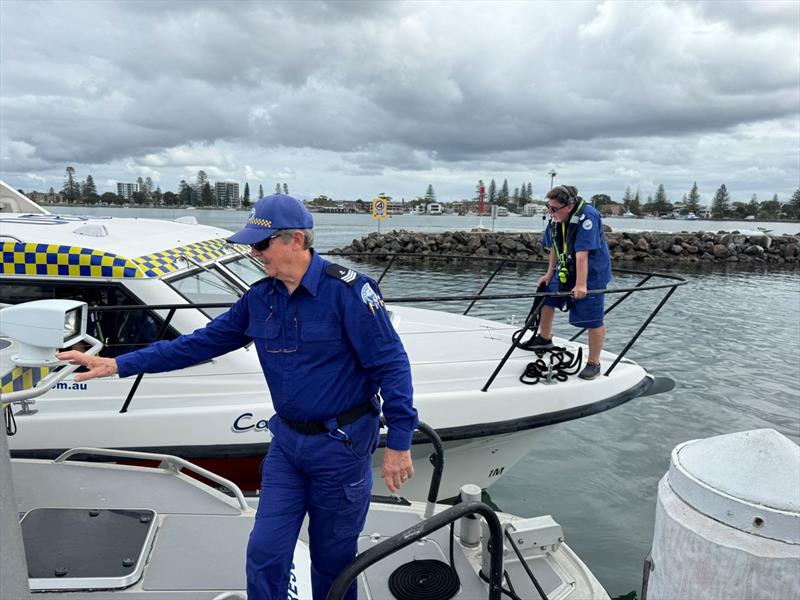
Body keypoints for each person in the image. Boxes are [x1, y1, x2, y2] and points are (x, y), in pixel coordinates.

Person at [57, 194, 418, 600]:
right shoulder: (260, 297)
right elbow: (200, 343)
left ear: (296, 240)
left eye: (261, 244)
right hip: (287, 445)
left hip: (342, 446)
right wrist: (117, 364)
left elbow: (392, 365)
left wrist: (400, 443)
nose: (254, 252)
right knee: (264, 551)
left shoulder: (349, 293)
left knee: (332, 561)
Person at [531, 185, 612, 380]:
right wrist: (549, 274)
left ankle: (594, 362)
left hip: (591, 274)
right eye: (548, 207)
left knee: (592, 318)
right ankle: (544, 338)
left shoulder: (587, 217)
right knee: (547, 297)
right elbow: (554, 246)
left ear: (569, 206)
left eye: (554, 208)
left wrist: (581, 284)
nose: (550, 212)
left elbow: (583, 254)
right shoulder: (556, 219)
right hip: (565, 268)